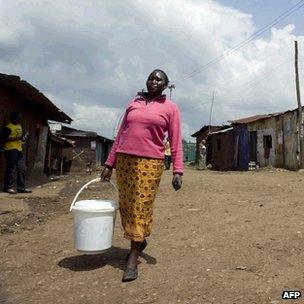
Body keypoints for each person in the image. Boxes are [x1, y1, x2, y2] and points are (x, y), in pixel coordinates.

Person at [100, 69, 183, 282]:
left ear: (165, 85)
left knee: (141, 205)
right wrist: (110, 164)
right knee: (127, 206)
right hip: (125, 161)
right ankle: (139, 240)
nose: (153, 81)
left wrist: (177, 170)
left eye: (159, 79)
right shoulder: (133, 103)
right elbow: (120, 135)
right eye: (151, 77)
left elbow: (175, 141)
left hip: (150, 163)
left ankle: (133, 256)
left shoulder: (171, 108)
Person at [0, 111, 31, 194]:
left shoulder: (19, 127)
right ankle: (8, 187)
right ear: (13, 118)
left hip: (19, 149)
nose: (20, 119)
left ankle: (21, 187)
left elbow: (20, 140)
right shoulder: (8, 128)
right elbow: (2, 139)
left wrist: (23, 138)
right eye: (18, 117)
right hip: (10, 150)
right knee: (11, 169)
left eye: (20, 117)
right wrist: (16, 138)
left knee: (22, 168)